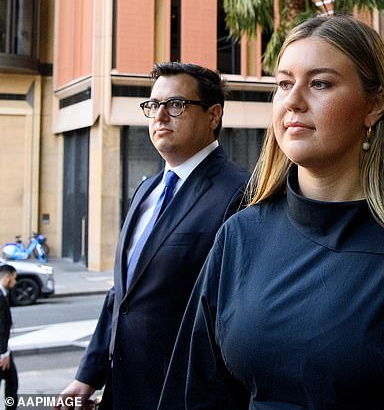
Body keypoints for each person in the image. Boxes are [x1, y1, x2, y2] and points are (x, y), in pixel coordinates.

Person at [158, 15, 384, 409]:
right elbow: (196, 394)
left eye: (320, 83)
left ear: (373, 105)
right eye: (283, 84)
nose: (293, 101)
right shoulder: (239, 236)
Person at [58, 62, 249, 409]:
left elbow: (237, 314)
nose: (160, 116)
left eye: (176, 105)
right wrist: (88, 375)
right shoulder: (146, 190)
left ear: (213, 115)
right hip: (121, 390)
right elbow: (123, 295)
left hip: (185, 395)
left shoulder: (239, 193)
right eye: (153, 105)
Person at [0, 264, 17, 409]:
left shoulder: (3, 294)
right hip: (1, 351)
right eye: (14, 278)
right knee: (12, 382)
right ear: (6, 277)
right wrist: (3, 353)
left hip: (4, 348)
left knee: (12, 382)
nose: (15, 282)